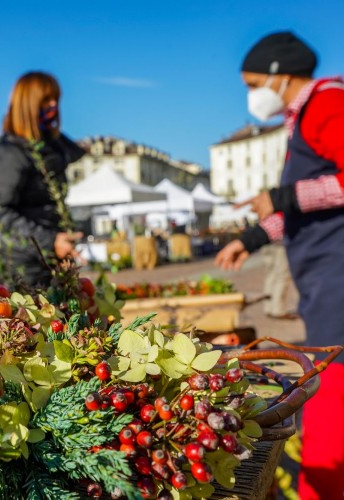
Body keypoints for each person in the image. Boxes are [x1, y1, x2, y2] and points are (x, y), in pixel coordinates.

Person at [215, 31, 344, 499]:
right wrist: (250, 237)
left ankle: (324, 486)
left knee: (333, 382)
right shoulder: (302, 117)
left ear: (278, 75)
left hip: (338, 276)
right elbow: (304, 205)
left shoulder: (328, 103)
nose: (251, 96)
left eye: (252, 84)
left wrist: (283, 195)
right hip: (323, 277)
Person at [0, 71, 85, 287]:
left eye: (55, 100)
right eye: (46, 100)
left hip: (47, 262)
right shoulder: (9, 153)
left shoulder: (51, 150)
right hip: (19, 270)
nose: (53, 106)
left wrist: (61, 239)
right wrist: (51, 241)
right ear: (28, 105)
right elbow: (0, 215)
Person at [260, 242, 297, 319]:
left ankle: (269, 307)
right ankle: (278, 310)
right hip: (279, 244)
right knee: (282, 276)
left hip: (265, 242)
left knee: (271, 275)